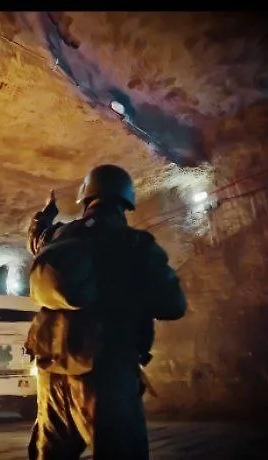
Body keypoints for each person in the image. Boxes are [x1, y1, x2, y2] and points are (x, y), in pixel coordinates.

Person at [26, 164, 187, 459]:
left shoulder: (59, 235)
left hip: (53, 374)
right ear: (126, 201)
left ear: (86, 198)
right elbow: (173, 305)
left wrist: (45, 215)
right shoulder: (135, 245)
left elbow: (36, 240)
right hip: (106, 375)